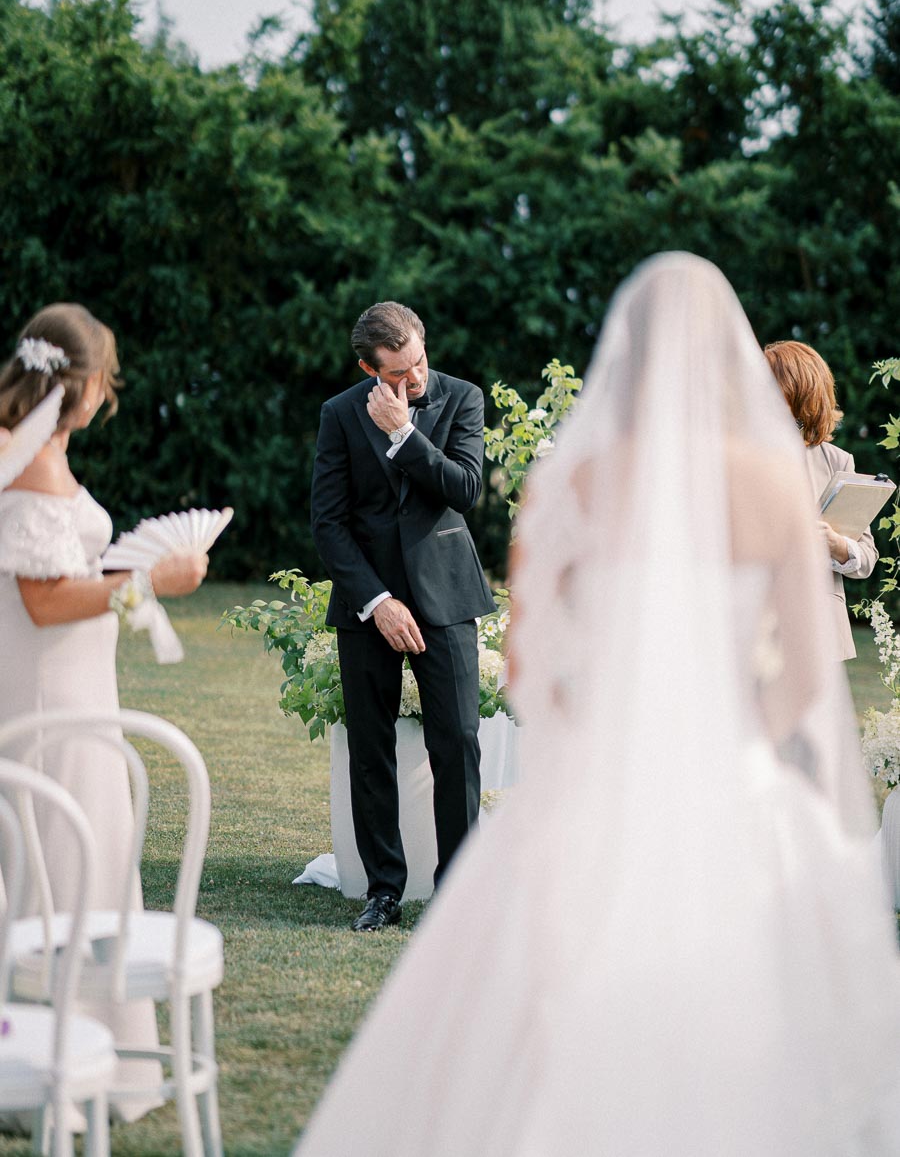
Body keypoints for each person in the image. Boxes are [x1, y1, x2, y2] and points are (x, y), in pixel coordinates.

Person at [295, 255, 900, 1156]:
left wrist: (609, 735)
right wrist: (731, 744)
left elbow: (535, 668)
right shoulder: (774, 486)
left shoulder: (572, 481)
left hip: (600, 784)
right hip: (730, 784)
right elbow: (808, 676)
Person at [0, 304, 208, 1123]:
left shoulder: (25, 448)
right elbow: (45, 600)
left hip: (60, 684)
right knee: (63, 854)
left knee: (63, 854)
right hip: (54, 698)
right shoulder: (35, 463)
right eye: (104, 381)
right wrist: (151, 580)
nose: (105, 395)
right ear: (82, 383)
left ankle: (67, 1052)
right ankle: (61, 1067)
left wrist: (116, 568)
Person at [310, 301, 495, 931]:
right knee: (371, 746)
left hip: (446, 595)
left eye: (417, 363)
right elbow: (328, 524)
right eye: (397, 373)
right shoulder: (338, 414)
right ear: (368, 367)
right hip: (369, 606)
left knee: (459, 742)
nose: (414, 380)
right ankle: (384, 890)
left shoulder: (462, 399)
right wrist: (376, 600)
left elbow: (465, 488)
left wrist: (403, 433)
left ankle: (459, 892)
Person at [764, 340, 878, 659]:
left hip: (819, 625)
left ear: (802, 391)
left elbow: (867, 557)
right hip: (755, 619)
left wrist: (835, 544)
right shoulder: (743, 452)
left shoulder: (839, 461)